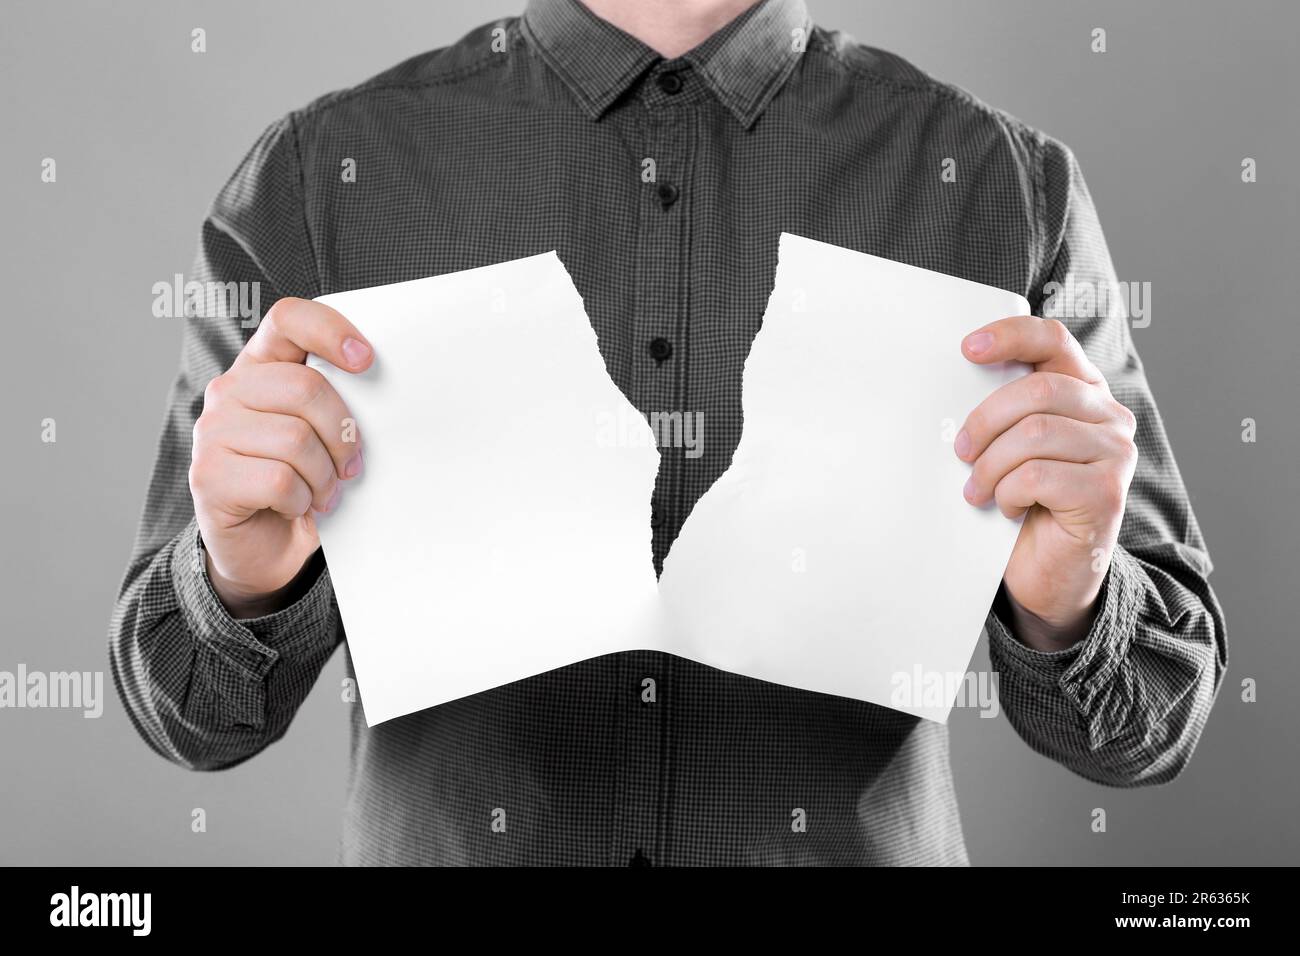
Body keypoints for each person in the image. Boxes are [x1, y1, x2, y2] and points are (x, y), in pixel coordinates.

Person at [109, 0, 1227, 865]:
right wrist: (238, 579)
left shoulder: (1000, 185)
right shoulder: (317, 182)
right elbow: (188, 712)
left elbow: (1151, 722)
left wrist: (1071, 591)